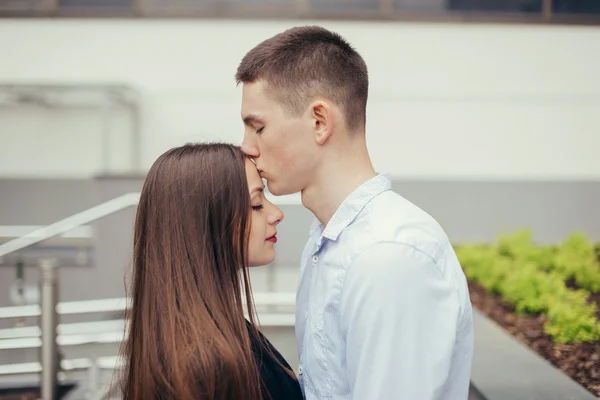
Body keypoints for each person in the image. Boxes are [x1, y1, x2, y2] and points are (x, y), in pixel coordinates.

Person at [236, 26, 474, 399]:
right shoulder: (329, 240)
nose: (247, 147)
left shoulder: (388, 253)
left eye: (258, 127)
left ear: (319, 121)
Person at [119, 143, 304, 400]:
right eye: (256, 204)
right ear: (204, 223)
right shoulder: (207, 368)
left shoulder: (201, 341)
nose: (277, 214)